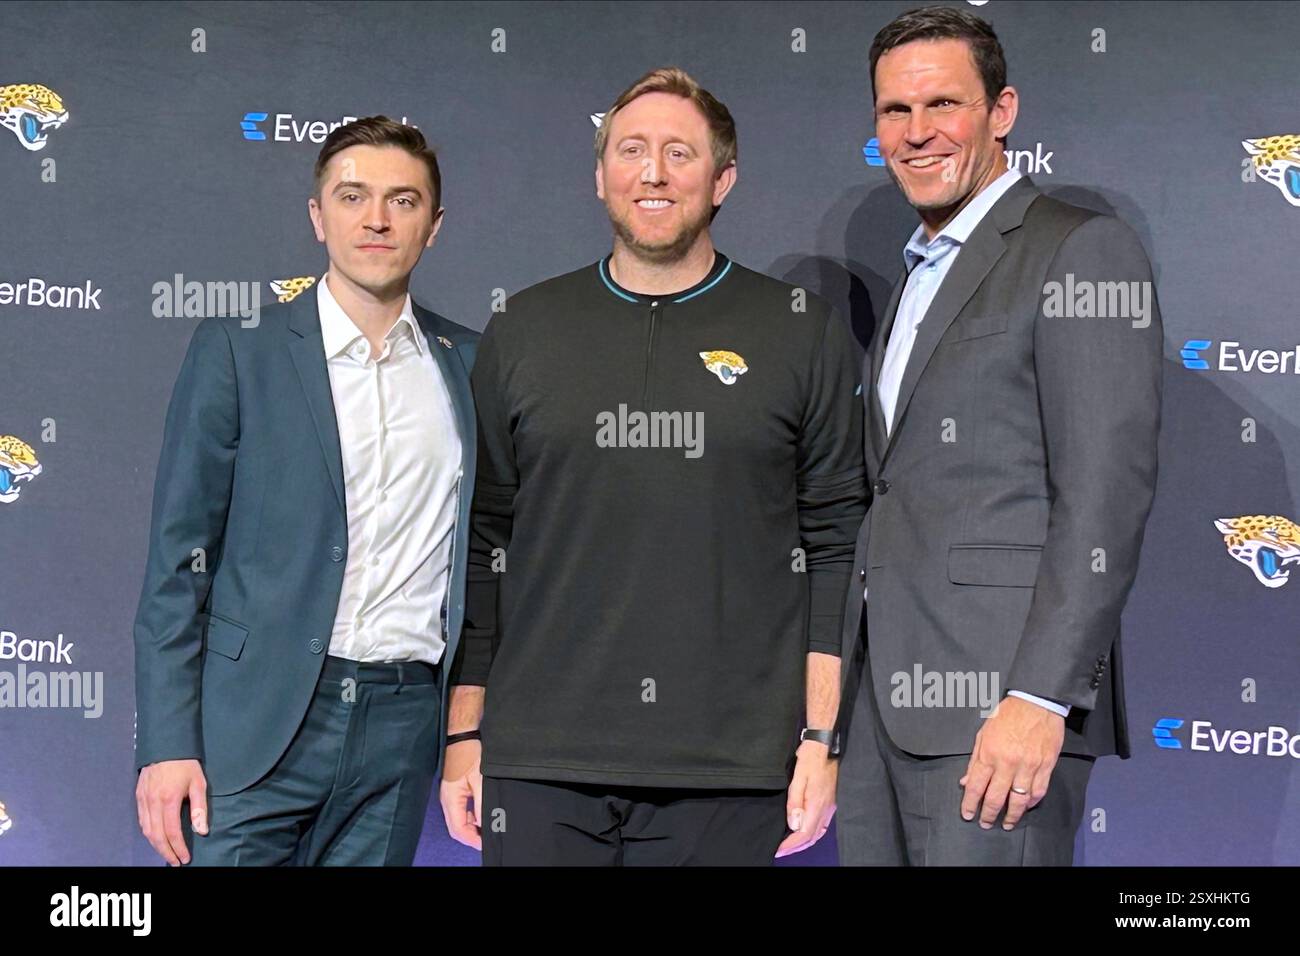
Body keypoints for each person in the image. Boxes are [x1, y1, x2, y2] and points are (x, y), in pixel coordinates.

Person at [440, 67, 866, 866]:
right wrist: (466, 729)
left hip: (732, 769)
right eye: (631, 150)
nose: (654, 172)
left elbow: (838, 543)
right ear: (601, 175)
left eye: (680, 152)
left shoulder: (800, 331)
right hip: (540, 764)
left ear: (723, 179)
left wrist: (821, 736)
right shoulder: (525, 328)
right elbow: (483, 542)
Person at [835, 6, 1162, 866]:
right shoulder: (916, 275)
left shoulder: (1078, 249)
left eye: (942, 104)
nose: (916, 134)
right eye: (894, 112)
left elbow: (1103, 495)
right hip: (880, 713)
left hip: (996, 712)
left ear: (1002, 111)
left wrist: (1039, 697)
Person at [133, 116, 478, 865]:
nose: (377, 219)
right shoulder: (238, 351)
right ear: (319, 217)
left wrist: (464, 730)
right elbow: (175, 562)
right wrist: (166, 743)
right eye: (353, 197)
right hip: (253, 723)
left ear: (435, 225)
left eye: (403, 200)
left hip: (401, 725)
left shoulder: (474, 366)